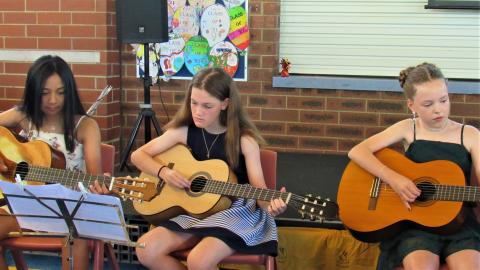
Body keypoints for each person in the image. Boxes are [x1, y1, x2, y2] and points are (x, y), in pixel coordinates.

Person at [131, 67, 287, 270]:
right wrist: (164, 172)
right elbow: (138, 156)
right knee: (145, 249)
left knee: (198, 261)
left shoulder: (245, 140)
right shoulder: (184, 131)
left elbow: (260, 192)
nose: (198, 111)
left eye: (207, 106)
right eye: (193, 103)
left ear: (225, 104)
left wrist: (272, 206)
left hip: (236, 211)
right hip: (196, 209)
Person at [348, 62, 480, 270]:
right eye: (428, 104)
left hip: (460, 225)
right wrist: (395, 179)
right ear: (412, 105)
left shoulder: (470, 134)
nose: (439, 109)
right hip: (416, 225)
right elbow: (357, 151)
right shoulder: (408, 129)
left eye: (444, 100)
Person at [0, 55, 109, 270]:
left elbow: (95, 178)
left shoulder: (85, 126)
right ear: (33, 92)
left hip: (70, 207)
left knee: (75, 233)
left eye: (60, 93)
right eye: (44, 93)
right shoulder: (23, 116)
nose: (53, 100)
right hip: (26, 206)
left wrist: (102, 186)